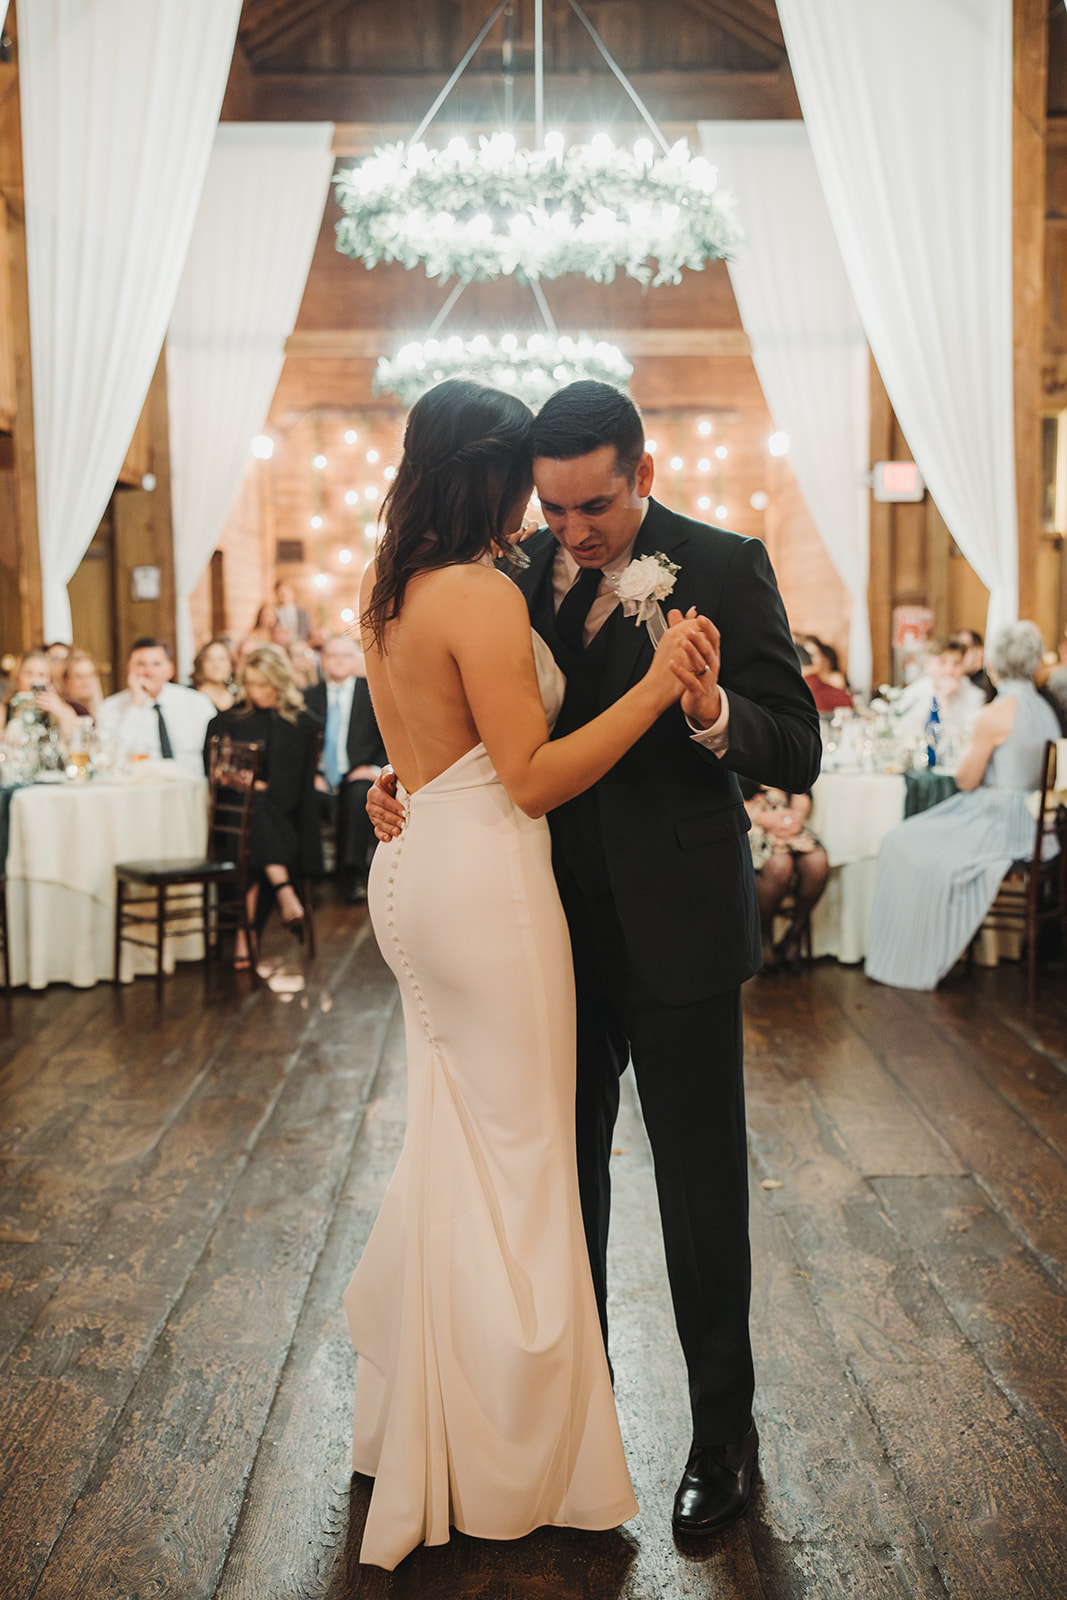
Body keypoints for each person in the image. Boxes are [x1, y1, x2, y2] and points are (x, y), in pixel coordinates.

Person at [369, 379, 822, 1544]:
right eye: (553, 507)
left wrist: (712, 706)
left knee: (698, 1189)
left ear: (644, 473)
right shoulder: (507, 568)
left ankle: (723, 1434)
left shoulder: (722, 563)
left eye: (596, 507)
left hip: (674, 924)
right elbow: (472, 720)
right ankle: (580, 1429)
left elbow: (796, 743)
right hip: (540, 934)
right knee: (558, 1188)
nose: (572, 532)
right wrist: (406, 785)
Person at [865, 621, 1062, 991]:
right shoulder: (1046, 709)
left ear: (992, 664)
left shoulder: (996, 713)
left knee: (898, 841)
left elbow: (966, 781)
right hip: (1039, 826)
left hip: (1000, 820)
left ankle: (905, 957)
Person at [204, 644, 323, 968]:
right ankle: (284, 890)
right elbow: (214, 774)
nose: (260, 692)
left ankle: (248, 937)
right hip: (235, 827)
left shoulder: (301, 723)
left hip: (287, 822)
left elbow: (291, 791)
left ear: (280, 682)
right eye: (254, 683)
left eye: (267, 684)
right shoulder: (227, 721)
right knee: (251, 815)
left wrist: (252, 785)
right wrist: (251, 786)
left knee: (254, 824)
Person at [304, 633, 386, 903]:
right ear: (323, 660)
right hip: (320, 775)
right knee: (306, 795)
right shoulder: (308, 697)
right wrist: (314, 774)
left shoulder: (372, 692)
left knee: (359, 793)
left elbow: (387, 737)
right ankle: (311, 879)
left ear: (356, 659)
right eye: (332, 655)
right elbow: (301, 742)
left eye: (345, 655)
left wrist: (372, 768)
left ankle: (352, 873)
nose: (339, 661)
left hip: (359, 770)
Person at [742, 782, 829, 973]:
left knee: (817, 862)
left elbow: (803, 791)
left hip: (787, 823)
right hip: (752, 825)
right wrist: (767, 820)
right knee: (780, 865)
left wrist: (793, 819)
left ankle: (794, 934)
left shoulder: (782, 757)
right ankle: (764, 938)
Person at [96, 638, 216, 776]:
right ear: (128, 667)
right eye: (141, 664)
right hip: (138, 789)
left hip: (191, 785)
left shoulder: (196, 702)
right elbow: (110, 759)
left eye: (157, 664)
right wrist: (135, 706)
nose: (149, 671)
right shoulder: (110, 707)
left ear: (170, 670)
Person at [892, 637, 986, 757]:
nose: (949, 670)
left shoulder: (975, 696)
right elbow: (902, 732)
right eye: (942, 662)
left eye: (956, 664)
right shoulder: (915, 692)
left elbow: (968, 740)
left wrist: (945, 703)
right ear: (928, 665)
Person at [1, 648, 79, 742]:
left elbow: (76, 741)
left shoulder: (64, 709)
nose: (35, 681)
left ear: (50, 680)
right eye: (29, 674)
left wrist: (59, 710)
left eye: (42, 675)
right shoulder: (4, 709)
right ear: (18, 677)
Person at [950, 627, 995, 702]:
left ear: (979, 651)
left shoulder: (984, 686)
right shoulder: (961, 681)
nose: (959, 655)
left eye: (964, 648)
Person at [191, 638, 237, 711]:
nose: (216, 665)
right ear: (201, 664)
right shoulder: (191, 696)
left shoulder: (239, 696)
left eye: (222, 659)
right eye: (210, 659)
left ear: (231, 665)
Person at [61, 649, 105, 721]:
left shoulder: (104, 710)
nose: (85, 681)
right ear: (66, 680)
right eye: (78, 676)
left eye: (90, 675)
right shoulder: (62, 712)